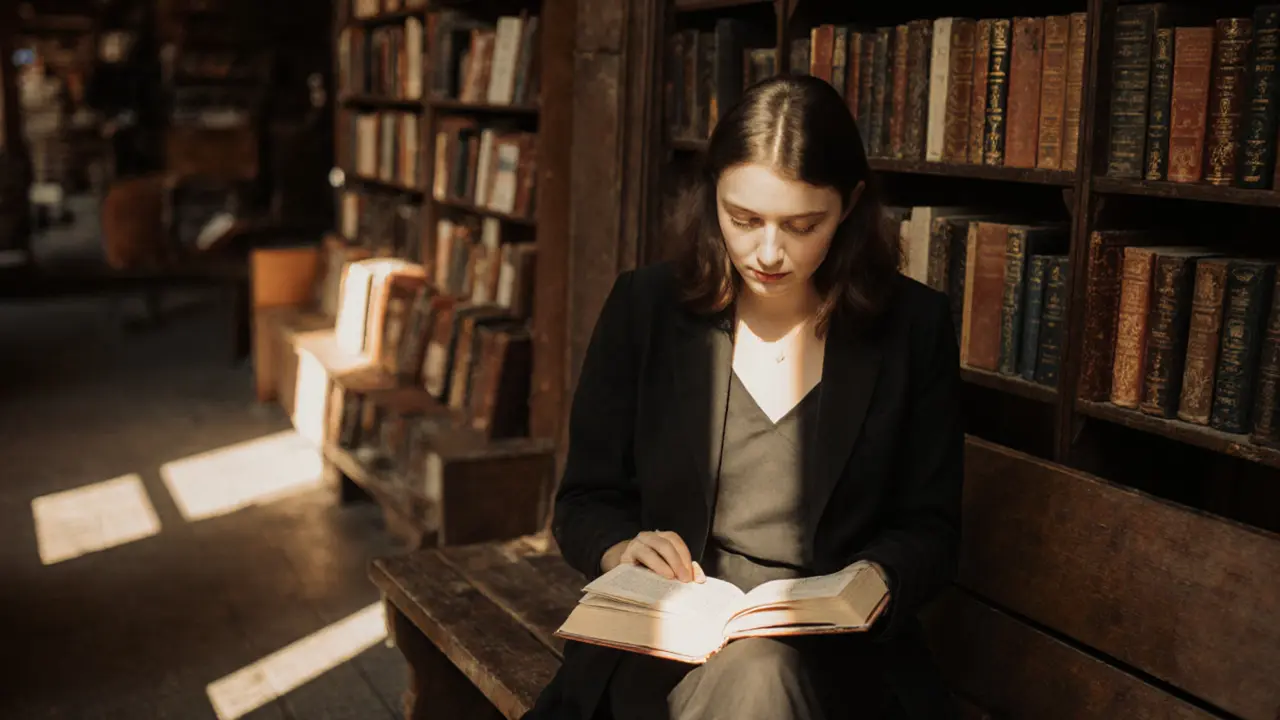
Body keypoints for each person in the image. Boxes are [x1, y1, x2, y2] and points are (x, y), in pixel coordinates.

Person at [524, 74, 963, 720]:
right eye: (744, 218)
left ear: (850, 206)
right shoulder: (645, 310)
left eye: (801, 225)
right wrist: (622, 548)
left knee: (761, 675)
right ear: (712, 198)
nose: (767, 252)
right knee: (750, 683)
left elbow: (933, 530)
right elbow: (585, 500)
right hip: (668, 647)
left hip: (838, 661)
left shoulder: (912, 329)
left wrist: (872, 581)